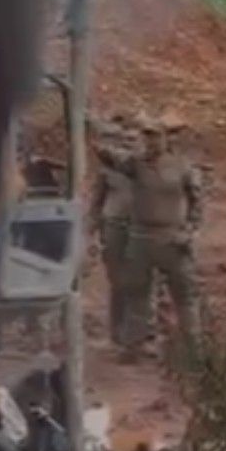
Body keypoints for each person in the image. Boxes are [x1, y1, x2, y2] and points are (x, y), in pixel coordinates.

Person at [96, 115, 204, 358]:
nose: (150, 141)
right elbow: (109, 158)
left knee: (184, 295)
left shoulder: (183, 166)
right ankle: (134, 345)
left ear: (166, 139)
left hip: (172, 239)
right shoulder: (136, 164)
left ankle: (194, 349)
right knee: (137, 293)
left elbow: (197, 202)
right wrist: (92, 129)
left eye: (155, 136)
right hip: (141, 237)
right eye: (147, 136)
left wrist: (190, 231)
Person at [90, 114, 137, 346]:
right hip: (113, 227)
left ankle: (137, 334)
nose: (129, 145)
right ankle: (116, 333)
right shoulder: (107, 171)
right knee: (118, 282)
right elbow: (96, 202)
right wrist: (90, 231)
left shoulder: (145, 170)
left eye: (133, 141)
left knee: (140, 282)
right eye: (125, 141)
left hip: (140, 230)